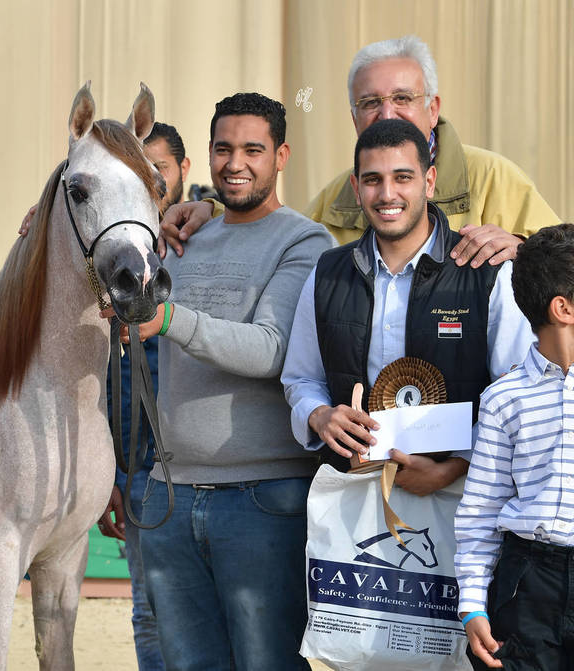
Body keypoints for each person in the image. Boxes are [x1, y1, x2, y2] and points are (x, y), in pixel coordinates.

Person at [131, 93, 334, 670]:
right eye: (223, 148)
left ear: (281, 155)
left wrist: (167, 318)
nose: (235, 163)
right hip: (171, 496)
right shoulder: (182, 237)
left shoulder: (305, 241)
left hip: (264, 499)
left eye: (253, 149)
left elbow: (272, 349)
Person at [281, 118, 534, 494]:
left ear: (429, 181)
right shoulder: (327, 273)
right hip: (355, 492)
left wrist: (453, 467)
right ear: (355, 187)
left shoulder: (485, 271)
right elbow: (302, 379)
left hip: (464, 496)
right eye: (372, 180)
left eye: (403, 177)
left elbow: (516, 393)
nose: (387, 194)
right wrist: (319, 416)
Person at [163, 35, 559, 268]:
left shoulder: (492, 177)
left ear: (433, 108)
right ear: (354, 117)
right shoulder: (339, 194)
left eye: (403, 97)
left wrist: (523, 249)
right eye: (370, 102)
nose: (388, 113)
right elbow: (277, 232)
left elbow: (566, 262)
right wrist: (215, 212)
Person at [454, 223, 574, 670]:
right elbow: (481, 509)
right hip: (527, 584)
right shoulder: (504, 398)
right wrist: (472, 605)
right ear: (563, 308)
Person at [97, 121, 189, 671]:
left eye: (159, 172)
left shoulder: (206, 240)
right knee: (148, 611)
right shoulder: (104, 258)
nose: (149, 184)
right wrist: (107, 470)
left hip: (205, 470)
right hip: (135, 468)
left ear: (184, 174)